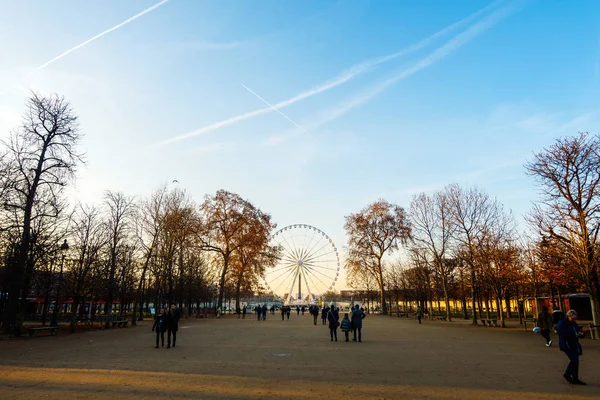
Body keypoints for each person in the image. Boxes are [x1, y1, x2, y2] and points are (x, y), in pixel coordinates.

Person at [558, 310, 585, 385]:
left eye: (574, 318)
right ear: (568, 316)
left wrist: (580, 333)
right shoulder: (563, 323)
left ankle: (574, 377)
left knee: (575, 360)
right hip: (567, 344)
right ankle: (568, 374)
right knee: (574, 360)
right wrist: (574, 334)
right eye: (572, 318)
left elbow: (576, 330)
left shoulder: (572, 323)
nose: (574, 320)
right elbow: (561, 332)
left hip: (573, 343)